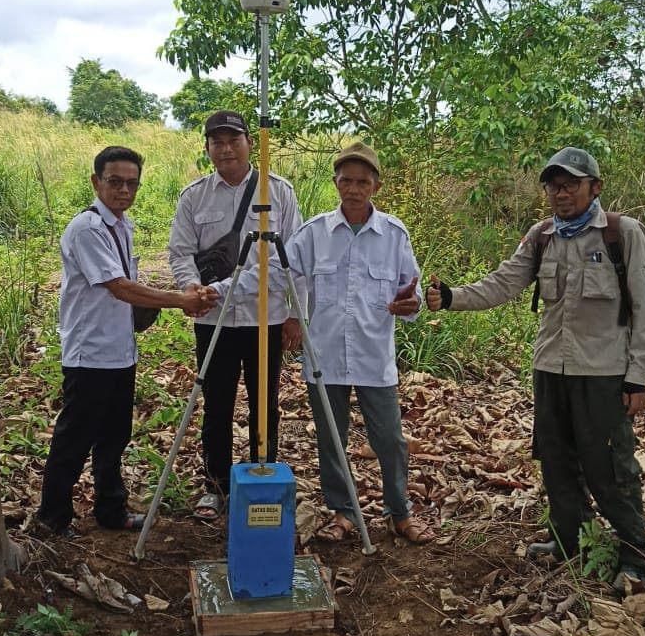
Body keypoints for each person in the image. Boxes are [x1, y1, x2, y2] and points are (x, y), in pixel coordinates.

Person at [426, 146, 645, 589]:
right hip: (551, 369)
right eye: (554, 184)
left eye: (571, 183)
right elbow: (504, 282)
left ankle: (636, 554)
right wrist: (453, 297)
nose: (561, 192)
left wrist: (638, 377)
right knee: (556, 462)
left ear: (595, 187)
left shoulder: (620, 233)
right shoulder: (543, 235)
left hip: (603, 374)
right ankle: (569, 541)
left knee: (609, 468)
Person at [199, 142, 435, 545]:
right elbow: (271, 274)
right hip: (325, 355)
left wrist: (409, 305)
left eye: (363, 182)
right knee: (331, 438)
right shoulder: (314, 235)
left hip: (374, 356)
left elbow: (409, 296)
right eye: (347, 181)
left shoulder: (394, 235)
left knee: (390, 439)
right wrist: (217, 291)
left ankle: (400, 512)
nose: (354, 189)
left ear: (376, 186)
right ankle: (342, 511)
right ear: (336, 183)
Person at [33, 146, 204, 541]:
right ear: (96, 182)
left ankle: (110, 508)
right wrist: (180, 299)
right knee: (75, 436)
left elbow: (126, 288)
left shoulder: (121, 225)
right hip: (90, 352)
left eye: (131, 183)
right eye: (115, 181)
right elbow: (120, 287)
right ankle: (52, 517)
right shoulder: (87, 229)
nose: (124, 189)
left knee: (114, 435)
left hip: (119, 351)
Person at [168, 111, 305, 521]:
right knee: (217, 404)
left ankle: (261, 481)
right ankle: (215, 486)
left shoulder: (277, 192)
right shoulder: (194, 196)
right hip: (213, 321)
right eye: (216, 142)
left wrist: (295, 314)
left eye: (234, 140)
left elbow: (290, 259)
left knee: (266, 405)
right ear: (207, 148)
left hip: (265, 319)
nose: (225, 149)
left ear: (249, 141)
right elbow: (179, 252)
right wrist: (192, 290)